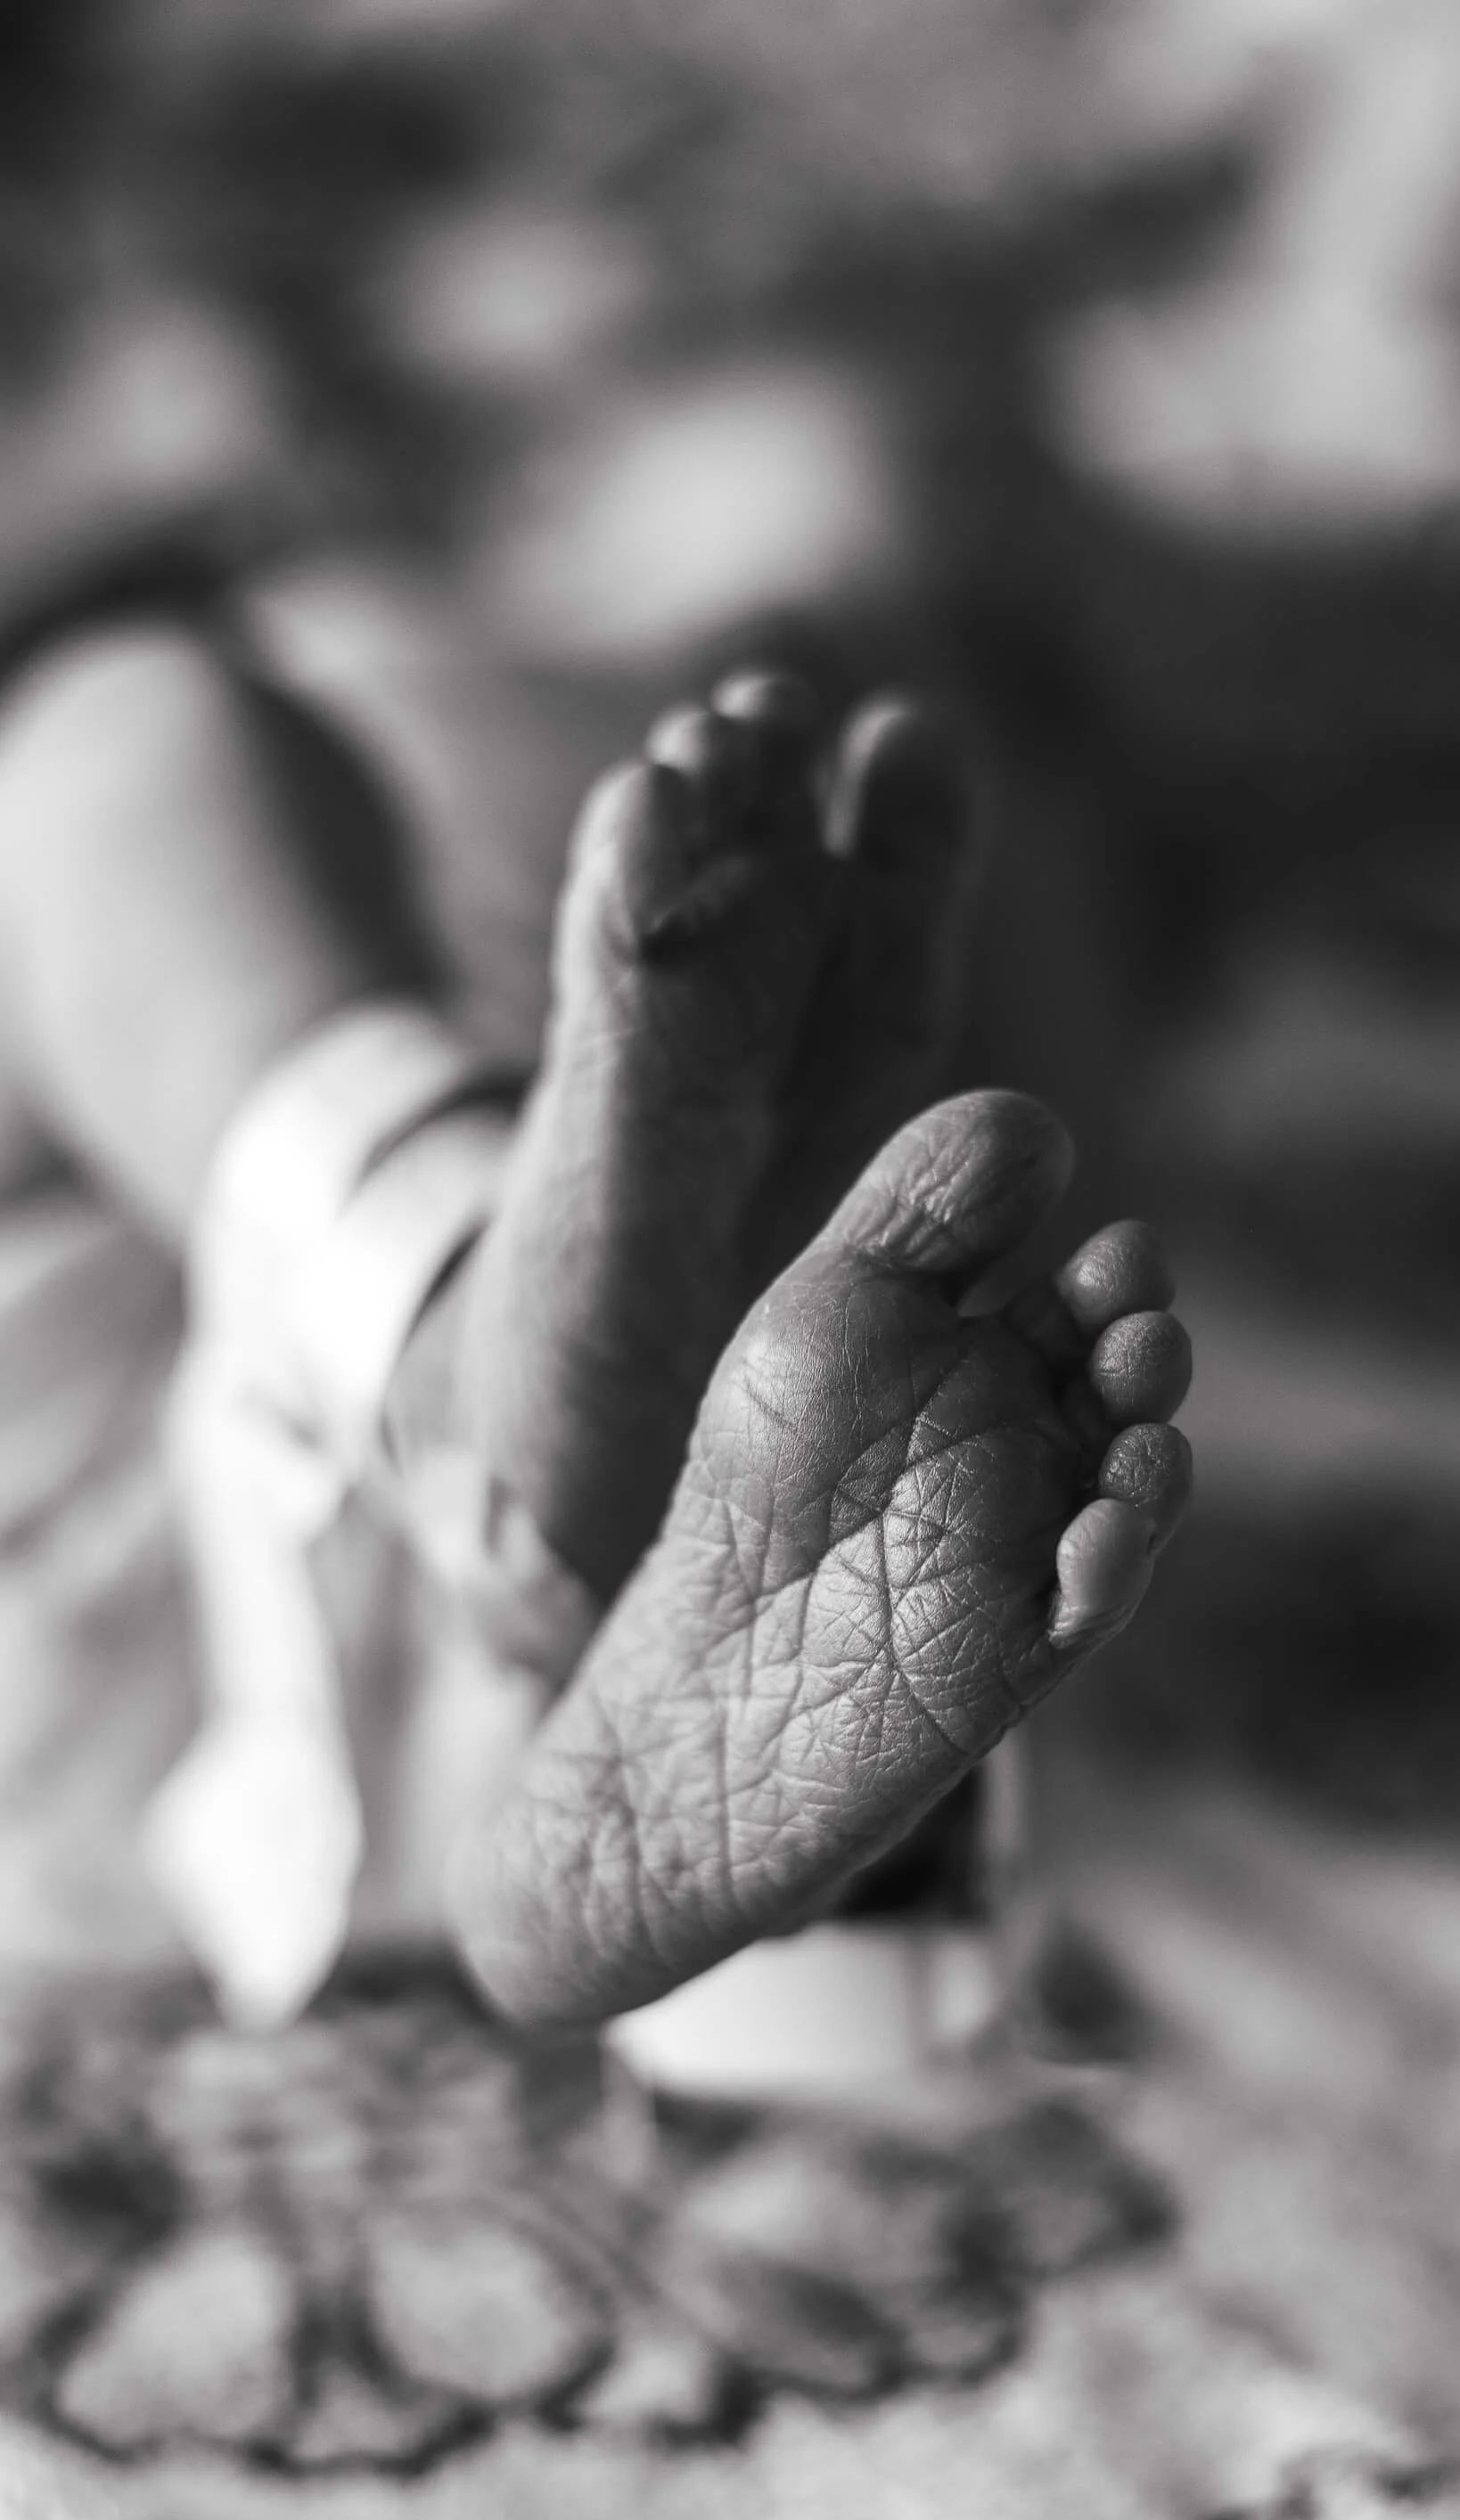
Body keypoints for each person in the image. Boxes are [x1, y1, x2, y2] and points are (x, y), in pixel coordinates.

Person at [0, 606, 1193, 2029]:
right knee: (125, 747)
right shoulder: (424, 640)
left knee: (124, 751)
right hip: (338, 1535)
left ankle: (465, 1391)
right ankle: (455, 1354)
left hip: (213, 1708)